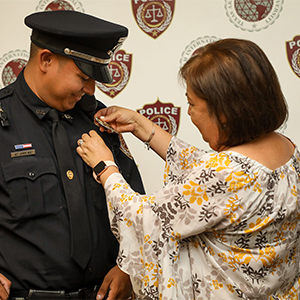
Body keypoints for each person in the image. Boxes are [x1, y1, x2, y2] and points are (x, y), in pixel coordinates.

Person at [77, 38, 300, 300]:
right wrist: (141, 126)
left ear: (224, 111)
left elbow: (145, 221)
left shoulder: (225, 172)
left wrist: (105, 167)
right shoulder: (287, 151)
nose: (190, 113)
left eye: (193, 104)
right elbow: (206, 174)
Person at [0, 10, 145, 300]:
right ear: (45, 60)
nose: (91, 89)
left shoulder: (100, 119)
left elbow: (136, 205)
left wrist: (130, 265)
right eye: (83, 76)